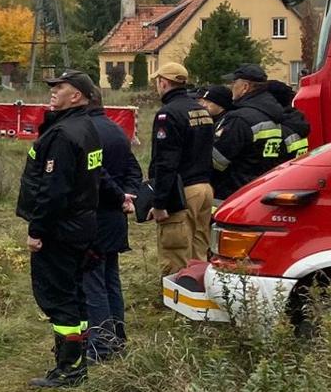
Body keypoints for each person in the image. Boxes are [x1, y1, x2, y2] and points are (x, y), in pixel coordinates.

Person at [17, 70, 104, 388]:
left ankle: (69, 369)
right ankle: (76, 359)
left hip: (61, 229)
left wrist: (37, 230)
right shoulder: (86, 128)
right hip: (80, 225)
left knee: (58, 296)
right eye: (52, 87)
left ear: (77, 95)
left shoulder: (65, 134)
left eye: (60, 87)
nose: (53, 91)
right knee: (74, 295)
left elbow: (54, 190)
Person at [83, 93, 141, 363]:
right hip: (115, 217)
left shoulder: (87, 132)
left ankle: (101, 345)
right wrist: (127, 197)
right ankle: (117, 337)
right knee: (110, 280)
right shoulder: (117, 129)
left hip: (95, 216)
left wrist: (119, 196)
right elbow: (134, 170)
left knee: (92, 283)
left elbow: (96, 176)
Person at [145, 63, 216, 273]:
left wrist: (159, 202)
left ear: (163, 82)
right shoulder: (202, 110)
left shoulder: (167, 114)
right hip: (204, 189)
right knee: (198, 251)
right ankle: (199, 298)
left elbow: (166, 162)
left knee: (175, 252)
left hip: (182, 193)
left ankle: (176, 301)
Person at [210, 65, 288, 205]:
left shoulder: (240, 119)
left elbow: (216, 160)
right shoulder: (271, 115)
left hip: (233, 195)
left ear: (245, 87)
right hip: (259, 190)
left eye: (233, 83)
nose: (231, 87)